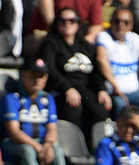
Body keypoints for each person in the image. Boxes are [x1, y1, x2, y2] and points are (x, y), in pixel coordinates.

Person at [39, 7, 110, 143]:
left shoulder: (85, 46)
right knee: (73, 107)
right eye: (62, 21)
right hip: (61, 89)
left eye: (72, 20)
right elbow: (51, 70)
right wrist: (67, 88)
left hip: (85, 89)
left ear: (78, 23)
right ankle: (73, 147)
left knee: (99, 109)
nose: (67, 24)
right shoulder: (51, 44)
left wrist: (102, 89)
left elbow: (96, 72)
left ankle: (95, 148)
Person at [0, 57, 66, 165]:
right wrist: (37, 147)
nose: (37, 80)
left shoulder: (47, 98)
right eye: (33, 75)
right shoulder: (12, 97)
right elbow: (14, 132)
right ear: (23, 74)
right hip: (14, 143)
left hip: (41, 142)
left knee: (57, 151)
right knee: (28, 150)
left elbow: (52, 128)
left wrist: (48, 145)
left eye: (41, 76)